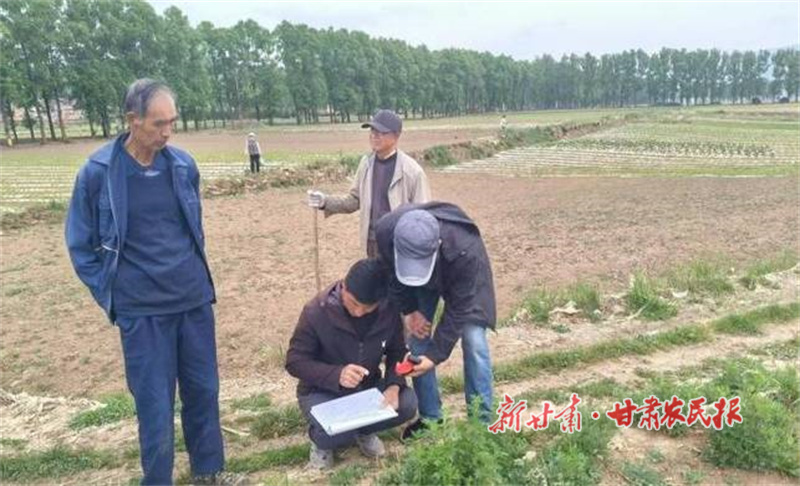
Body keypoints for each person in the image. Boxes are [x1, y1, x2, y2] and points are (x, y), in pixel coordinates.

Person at [65, 79, 238, 486]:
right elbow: (80, 244)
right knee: (155, 406)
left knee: (204, 392)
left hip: (193, 301)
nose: (167, 132)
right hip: (142, 312)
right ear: (133, 120)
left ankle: (209, 475)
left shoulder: (181, 165)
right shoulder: (99, 173)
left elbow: (191, 228)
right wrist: (115, 295)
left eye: (172, 123)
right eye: (159, 123)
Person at [374, 202, 495, 437]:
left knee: (474, 341)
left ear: (437, 246)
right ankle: (431, 419)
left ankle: (482, 421)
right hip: (419, 284)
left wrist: (435, 356)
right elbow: (391, 273)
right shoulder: (386, 230)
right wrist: (409, 310)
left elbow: (459, 309)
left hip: (460, 275)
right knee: (418, 340)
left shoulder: (465, 249)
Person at [285, 259, 418, 469]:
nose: (359, 312)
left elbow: (397, 351)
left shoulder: (388, 310)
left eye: (368, 308)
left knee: (407, 403)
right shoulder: (316, 312)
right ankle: (321, 442)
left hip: (367, 388)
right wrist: (336, 374)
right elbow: (294, 361)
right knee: (340, 433)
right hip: (321, 392)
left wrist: (393, 385)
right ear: (344, 286)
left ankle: (365, 431)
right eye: (354, 303)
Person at [307, 109, 431, 257]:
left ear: (396, 136)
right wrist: (325, 202)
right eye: (372, 131)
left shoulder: (412, 172)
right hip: (371, 243)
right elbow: (354, 200)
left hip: (398, 246)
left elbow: (422, 216)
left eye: (381, 132)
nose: (374, 136)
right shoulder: (366, 164)